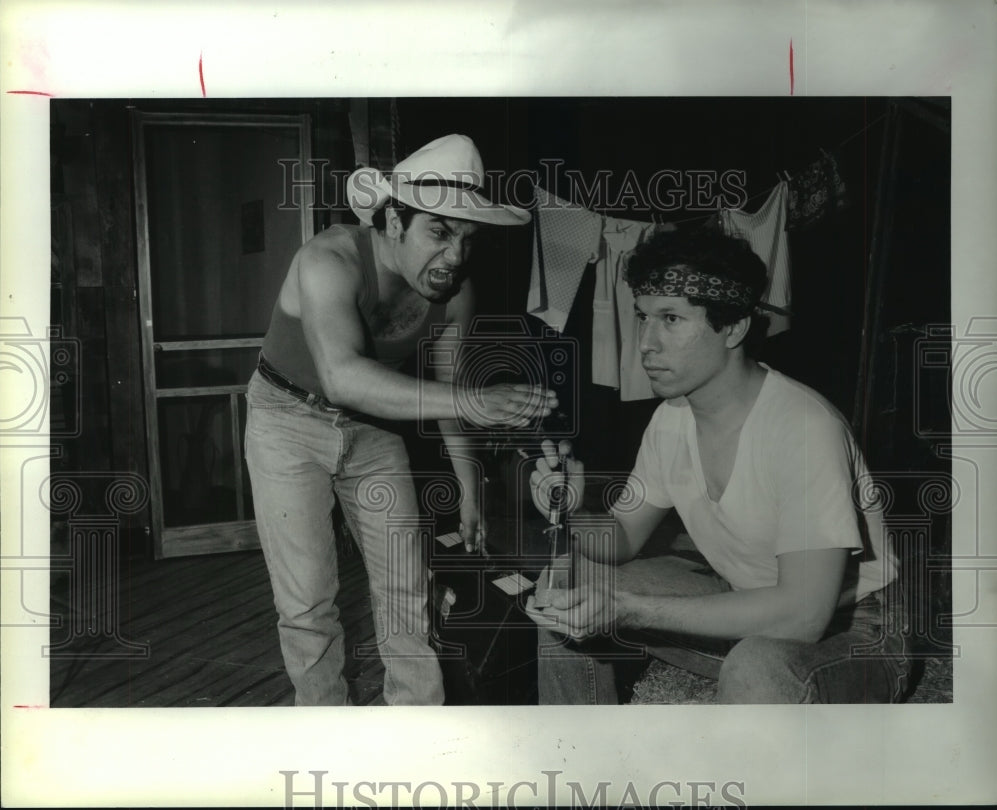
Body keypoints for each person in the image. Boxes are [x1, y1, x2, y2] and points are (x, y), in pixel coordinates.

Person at [526, 228, 911, 704]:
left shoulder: (804, 428)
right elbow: (621, 538)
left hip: (854, 629)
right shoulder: (670, 420)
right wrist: (569, 511)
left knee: (758, 667)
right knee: (567, 586)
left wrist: (627, 609)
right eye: (643, 316)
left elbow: (802, 617)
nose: (646, 342)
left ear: (733, 328)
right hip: (746, 605)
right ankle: (577, 761)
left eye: (671, 319)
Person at [245, 134, 557, 705]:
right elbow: (341, 376)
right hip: (286, 419)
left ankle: (418, 733)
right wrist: (476, 404)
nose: (456, 256)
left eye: (467, 238)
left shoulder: (452, 289)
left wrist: (468, 483)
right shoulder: (327, 260)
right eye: (439, 233)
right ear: (393, 222)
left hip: (372, 426)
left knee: (406, 590)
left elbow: (447, 387)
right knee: (308, 602)